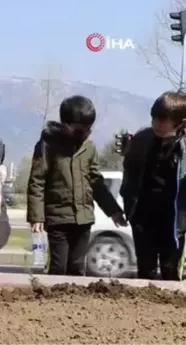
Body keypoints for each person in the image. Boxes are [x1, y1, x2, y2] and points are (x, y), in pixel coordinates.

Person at [27, 95, 126, 276]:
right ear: (65, 125)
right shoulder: (48, 145)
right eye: (80, 130)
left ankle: (75, 303)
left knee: (78, 267)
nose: (85, 134)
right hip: (58, 218)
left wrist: (113, 210)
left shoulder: (89, 148)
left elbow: (96, 182)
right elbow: (37, 181)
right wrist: (36, 216)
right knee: (59, 267)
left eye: (89, 130)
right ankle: (54, 301)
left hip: (84, 218)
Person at [120, 91, 186, 281]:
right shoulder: (142, 140)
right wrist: (129, 204)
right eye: (154, 118)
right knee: (145, 270)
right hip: (143, 216)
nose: (156, 123)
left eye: (162, 119)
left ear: (180, 121)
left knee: (170, 271)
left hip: (174, 221)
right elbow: (130, 173)